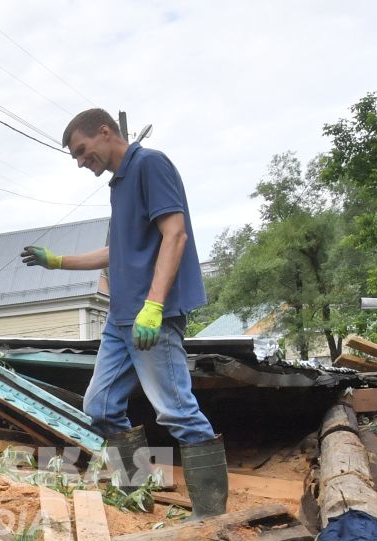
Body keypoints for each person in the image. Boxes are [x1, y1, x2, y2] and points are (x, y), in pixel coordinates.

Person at [20, 108, 228, 516]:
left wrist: (154, 306)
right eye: (76, 157)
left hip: (151, 316)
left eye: (82, 150)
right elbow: (114, 252)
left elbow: (175, 233)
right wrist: (58, 261)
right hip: (120, 319)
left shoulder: (150, 165)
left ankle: (211, 516)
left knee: (176, 410)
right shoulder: (118, 184)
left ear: (105, 131)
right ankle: (136, 494)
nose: (81, 162)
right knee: (98, 406)